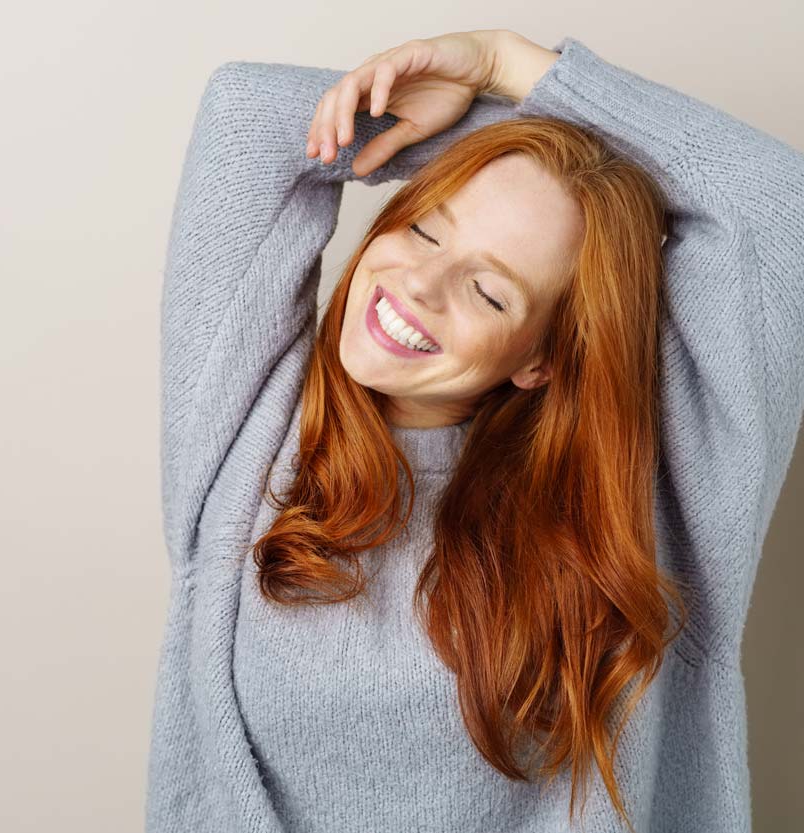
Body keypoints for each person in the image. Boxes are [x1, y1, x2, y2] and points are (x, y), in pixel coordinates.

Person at [148, 29, 804, 833]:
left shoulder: (646, 499)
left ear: (542, 360)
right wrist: (491, 137)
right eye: (426, 226)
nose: (418, 284)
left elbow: (777, 202)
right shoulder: (248, 431)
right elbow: (247, 114)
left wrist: (508, 63)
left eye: (489, 293)